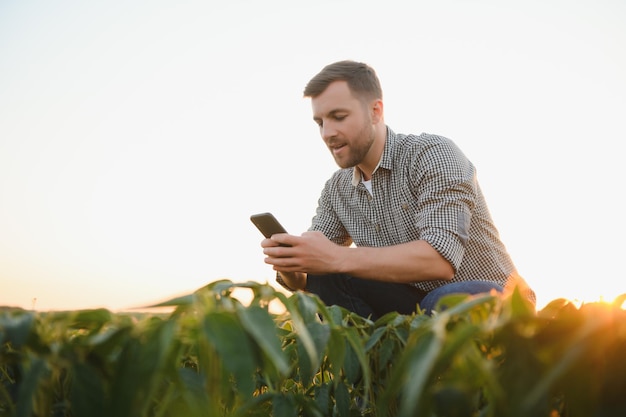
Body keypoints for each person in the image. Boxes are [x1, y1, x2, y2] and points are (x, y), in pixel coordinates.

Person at [260, 60, 535, 319]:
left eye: (338, 117)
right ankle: (373, 368)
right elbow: (315, 273)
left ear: (375, 111)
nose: (326, 133)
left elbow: (440, 260)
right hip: (411, 304)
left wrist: (334, 257)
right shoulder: (336, 190)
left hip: (492, 297)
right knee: (327, 277)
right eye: (320, 122)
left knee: (441, 300)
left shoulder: (433, 154)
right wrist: (295, 266)